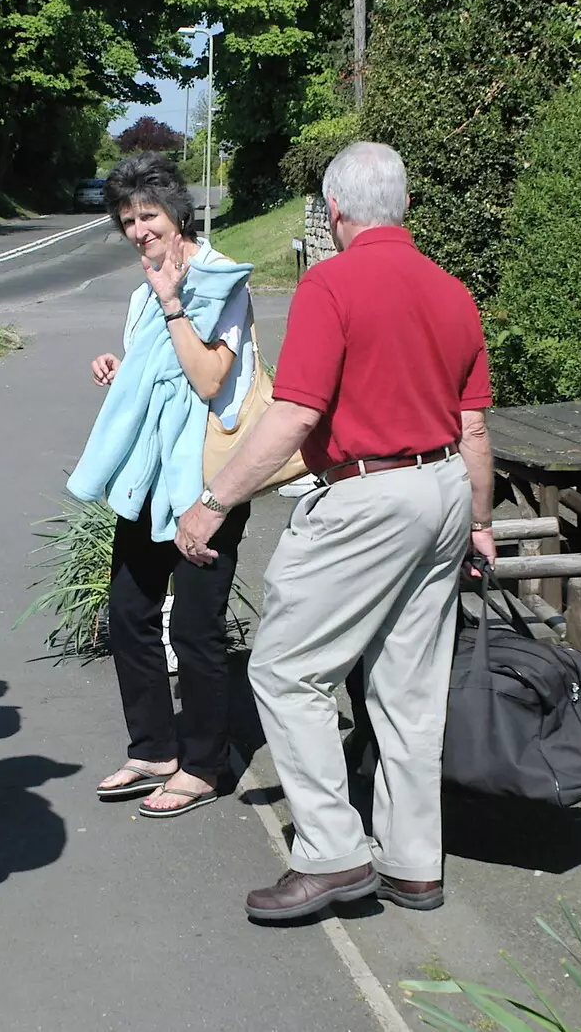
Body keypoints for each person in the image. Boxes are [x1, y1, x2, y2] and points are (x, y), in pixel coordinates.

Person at [176, 142, 498, 921]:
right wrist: (481, 524)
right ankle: (413, 863)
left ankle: (331, 854)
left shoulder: (331, 284)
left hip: (369, 498)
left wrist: (214, 501)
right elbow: (475, 427)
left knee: (288, 670)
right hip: (446, 490)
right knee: (410, 691)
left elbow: (295, 413)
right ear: (405, 208)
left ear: (337, 212)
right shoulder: (453, 292)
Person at [67, 151, 256, 819]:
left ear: (178, 212)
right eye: (127, 220)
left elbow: (208, 380)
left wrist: (174, 302)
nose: (139, 230)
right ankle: (153, 747)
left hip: (207, 481)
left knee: (200, 629)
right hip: (150, 476)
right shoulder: (141, 292)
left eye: (148, 215)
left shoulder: (221, 282)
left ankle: (204, 762)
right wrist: (121, 369)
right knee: (130, 612)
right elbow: (158, 384)